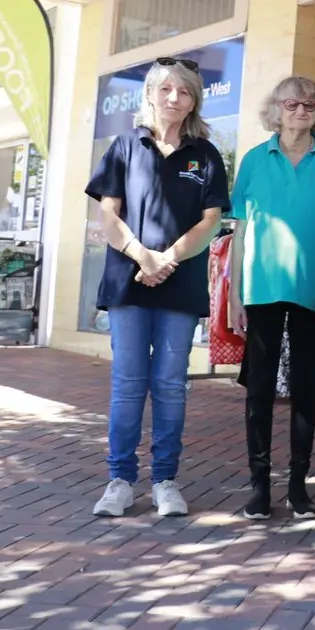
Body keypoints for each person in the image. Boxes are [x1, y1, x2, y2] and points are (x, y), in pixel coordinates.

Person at [85, 57, 229, 518]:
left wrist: (167, 258)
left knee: (170, 385)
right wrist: (142, 256)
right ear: (150, 93)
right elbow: (108, 214)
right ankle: (120, 481)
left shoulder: (204, 155)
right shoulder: (125, 146)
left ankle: (165, 480)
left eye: (184, 92)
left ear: (194, 101)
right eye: (166, 89)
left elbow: (212, 221)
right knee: (128, 384)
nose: (174, 98)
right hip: (129, 281)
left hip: (179, 282)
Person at [228, 76, 315, 521]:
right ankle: (259, 484)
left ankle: (297, 486)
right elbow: (240, 232)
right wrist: (233, 295)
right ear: (276, 109)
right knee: (260, 388)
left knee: (307, 388)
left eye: (310, 103)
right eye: (291, 103)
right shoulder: (254, 159)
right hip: (262, 288)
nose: (300, 110)